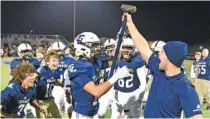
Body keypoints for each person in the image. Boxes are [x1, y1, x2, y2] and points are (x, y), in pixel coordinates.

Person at [123, 13, 202, 118]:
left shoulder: (185, 87)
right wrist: (129, 23)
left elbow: (197, 117)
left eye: (163, 52)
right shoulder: (158, 69)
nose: (159, 53)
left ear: (170, 58)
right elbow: (143, 46)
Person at [64, 32, 130, 119]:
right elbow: (96, 92)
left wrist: (120, 41)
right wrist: (116, 77)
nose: (97, 49)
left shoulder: (94, 62)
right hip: (82, 115)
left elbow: (115, 59)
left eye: (97, 45)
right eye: (94, 46)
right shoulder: (77, 67)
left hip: (94, 111)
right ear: (82, 47)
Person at [111, 37, 147, 119]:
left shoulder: (138, 61)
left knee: (135, 116)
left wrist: (136, 98)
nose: (126, 50)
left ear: (134, 49)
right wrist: (114, 94)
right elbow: (113, 78)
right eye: (124, 47)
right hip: (118, 94)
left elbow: (143, 84)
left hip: (133, 94)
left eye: (129, 48)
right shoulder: (117, 60)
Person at [49, 41, 75, 118]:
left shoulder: (70, 59)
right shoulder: (50, 60)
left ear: (63, 50)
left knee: (69, 108)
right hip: (56, 87)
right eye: (56, 51)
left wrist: (68, 84)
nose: (58, 52)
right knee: (56, 108)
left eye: (60, 50)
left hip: (68, 87)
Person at [35, 51, 62, 118]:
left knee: (58, 117)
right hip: (40, 101)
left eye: (57, 61)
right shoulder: (42, 70)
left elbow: (54, 79)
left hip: (50, 99)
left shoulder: (56, 71)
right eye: (54, 61)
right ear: (47, 62)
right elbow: (31, 78)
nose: (56, 63)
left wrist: (62, 85)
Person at [98, 38, 117, 118]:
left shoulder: (121, 60)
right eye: (108, 47)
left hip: (117, 88)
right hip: (105, 87)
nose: (110, 49)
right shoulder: (101, 62)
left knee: (118, 114)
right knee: (101, 112)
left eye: (112, 47)